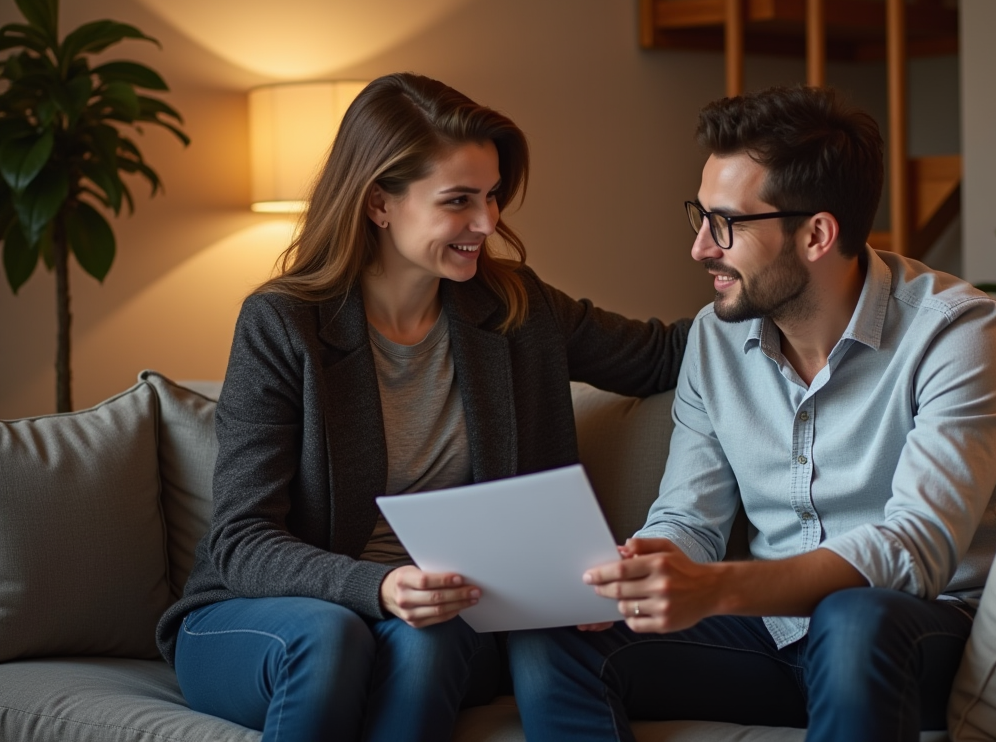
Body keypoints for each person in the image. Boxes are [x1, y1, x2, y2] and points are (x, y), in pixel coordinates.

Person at [154, 72, 690, 742]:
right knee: (330, 639)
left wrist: (791, 281)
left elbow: (665, 354)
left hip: (444, 616)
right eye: (458, 201)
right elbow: (241, 540)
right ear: (380, 203)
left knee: (432, 635)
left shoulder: (516, 309)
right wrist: (377, 589)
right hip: (264, 617)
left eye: (491, 197)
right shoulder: (283, 324)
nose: (487, 223)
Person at [508, 84, 996, 742]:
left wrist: (719, 589)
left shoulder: (958, 332)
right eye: (698, 216)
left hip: (924, 636)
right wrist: (648, 566)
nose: (700, 247)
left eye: (724, 223)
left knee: (854, 617)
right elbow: (689, 517)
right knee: (555, 633)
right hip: (777, 639)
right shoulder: (714, 337)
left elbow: (913, 550)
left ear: (816, 233)